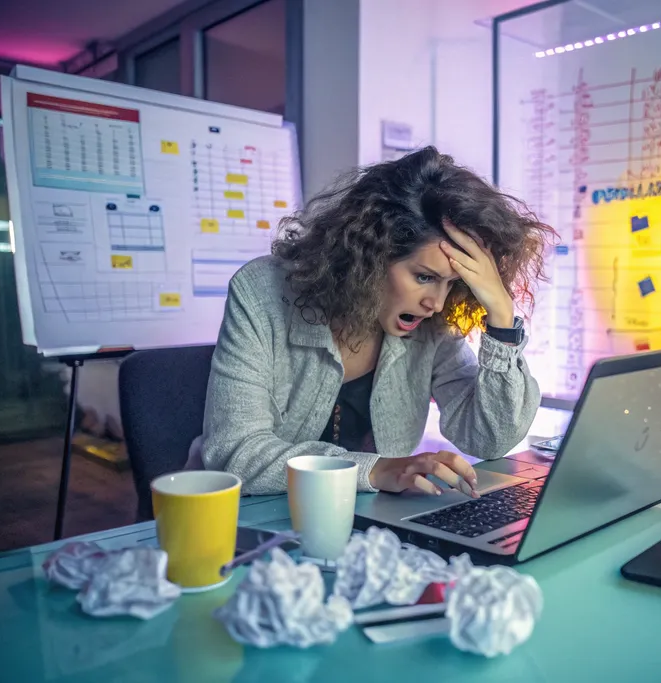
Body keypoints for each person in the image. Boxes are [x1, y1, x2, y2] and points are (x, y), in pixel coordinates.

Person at [199, 146, 556, 497]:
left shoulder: (433, 324)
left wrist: (502, 322)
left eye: (452, 283)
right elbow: (235, 452)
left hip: (370, 527)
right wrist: (375, 469)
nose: (437, 303)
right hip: (259, 519)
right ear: (369, 257)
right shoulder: (260, 293)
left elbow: (491, 438)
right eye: (424, 277)